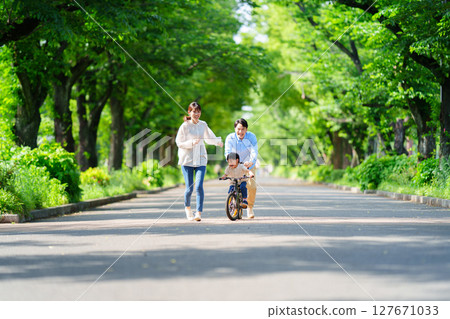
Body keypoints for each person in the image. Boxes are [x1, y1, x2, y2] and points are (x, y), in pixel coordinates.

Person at [175, 102, 223, 221]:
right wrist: (191, 143)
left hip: (201, 158)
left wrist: (217, 142)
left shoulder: (203, 124)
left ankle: (198, 213)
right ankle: (187, 208)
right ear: (189, 112)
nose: (196, 114)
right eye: (194, 111)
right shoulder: (185, 126)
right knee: (190, 188)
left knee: (199, 186)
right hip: (187, 160)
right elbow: (178, 142)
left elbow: (209, 137)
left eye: (198, 111)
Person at [224, 118, 258, 218]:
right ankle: (235, 205)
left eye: (243, 129)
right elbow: (227, 151)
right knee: (233, 185)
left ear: (246, 129)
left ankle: (250, 207)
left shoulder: (251, 137)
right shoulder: (230, 138)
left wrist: (251, 161)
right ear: (235, 129)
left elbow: (254, 151)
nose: (240, 132)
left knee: (252, 187)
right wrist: (231, 162)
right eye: (238, 129)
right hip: (234, 165)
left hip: (248, 164)